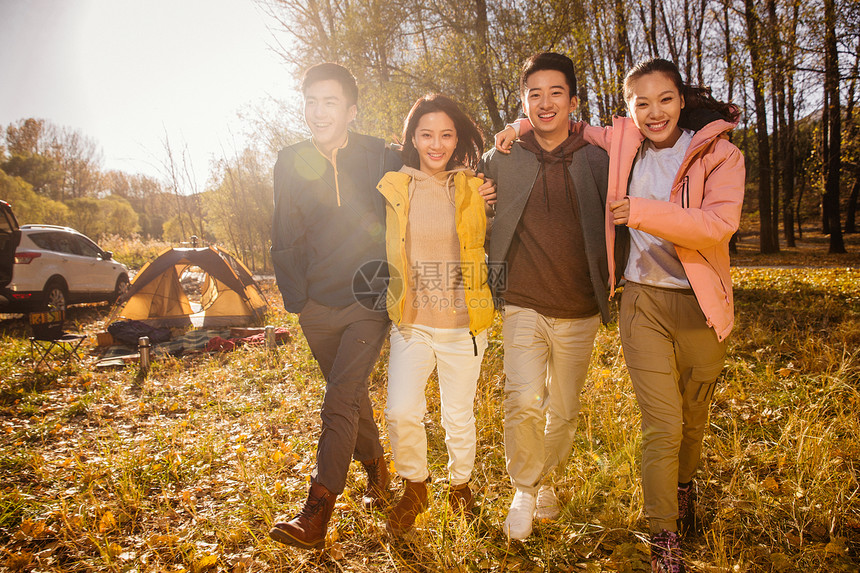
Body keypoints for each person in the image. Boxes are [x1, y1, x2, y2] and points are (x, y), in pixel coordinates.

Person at [499, 57, 745, 572]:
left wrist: (639, 211)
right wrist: (518, 125)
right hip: (641, 301)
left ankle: (683, 488)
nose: (654, 113)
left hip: (701, 304)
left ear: (682, 100)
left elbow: (717, 225)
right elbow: (560, 125)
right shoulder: (621, 147)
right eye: (641, 103)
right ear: (628, 110)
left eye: (665, 100)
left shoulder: (721, 156)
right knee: (663, 424)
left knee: (692, 422)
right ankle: (664, 536)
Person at [268, 62, 402, 550]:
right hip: (318, 306)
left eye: (330, 102)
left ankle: (317, 509)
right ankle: (377, 470)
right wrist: (299, 302)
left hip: (369, 298)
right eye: (311, 101)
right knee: (352, 395)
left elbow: (437, 155)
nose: (318, 111)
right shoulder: (290, 159)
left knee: (340, 396)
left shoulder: (379, 154)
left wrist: (492, 160)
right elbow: (283, 231)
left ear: (351, 110)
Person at [479, 52, 611, 541]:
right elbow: (477, 213)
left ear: (574, 100)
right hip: (523, 300)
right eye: (534, 94)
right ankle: (524, 488)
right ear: (523, 101)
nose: (545, 102)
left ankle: (546, 480)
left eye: (556, 92)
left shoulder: (598, 158)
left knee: (565, 406)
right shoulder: (503, 158)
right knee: (522, 400)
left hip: (580, 305)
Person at [376, 94, 495, 534]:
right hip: (412, 322)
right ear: (412, 138)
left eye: (446, 134)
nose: (436, 143)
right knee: (401, 410)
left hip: (464, 323)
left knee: (457, 414)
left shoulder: (472, 186)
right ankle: (416, 486)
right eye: (426, 134)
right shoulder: (394, 185)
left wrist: (488, 198)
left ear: (458, 138)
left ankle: (461, 484)